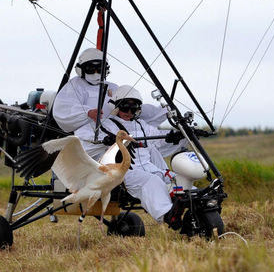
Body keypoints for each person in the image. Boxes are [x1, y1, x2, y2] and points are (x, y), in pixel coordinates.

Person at [74, 84, 188, 229]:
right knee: (151, 181)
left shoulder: (141, 125)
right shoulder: (105, 125)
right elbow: (81, 136)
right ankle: (168, 215)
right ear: (115, 107)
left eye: (133, 109)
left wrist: (172, 137)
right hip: (125, 172)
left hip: (149, 167)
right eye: (124, 108)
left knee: (176, 178)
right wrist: (105, 140)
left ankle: (195, 205)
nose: (128, 112)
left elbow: (157, 139)